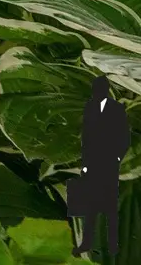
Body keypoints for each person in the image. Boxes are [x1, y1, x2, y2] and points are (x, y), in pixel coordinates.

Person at [73, 74, 128, 259]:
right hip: (93, 163)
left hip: (110, 163)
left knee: (110, 207)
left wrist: (118, 157)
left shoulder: (117, 108)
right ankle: (86, 243)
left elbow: (124, 137)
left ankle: (112, 244)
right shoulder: (90, 107)